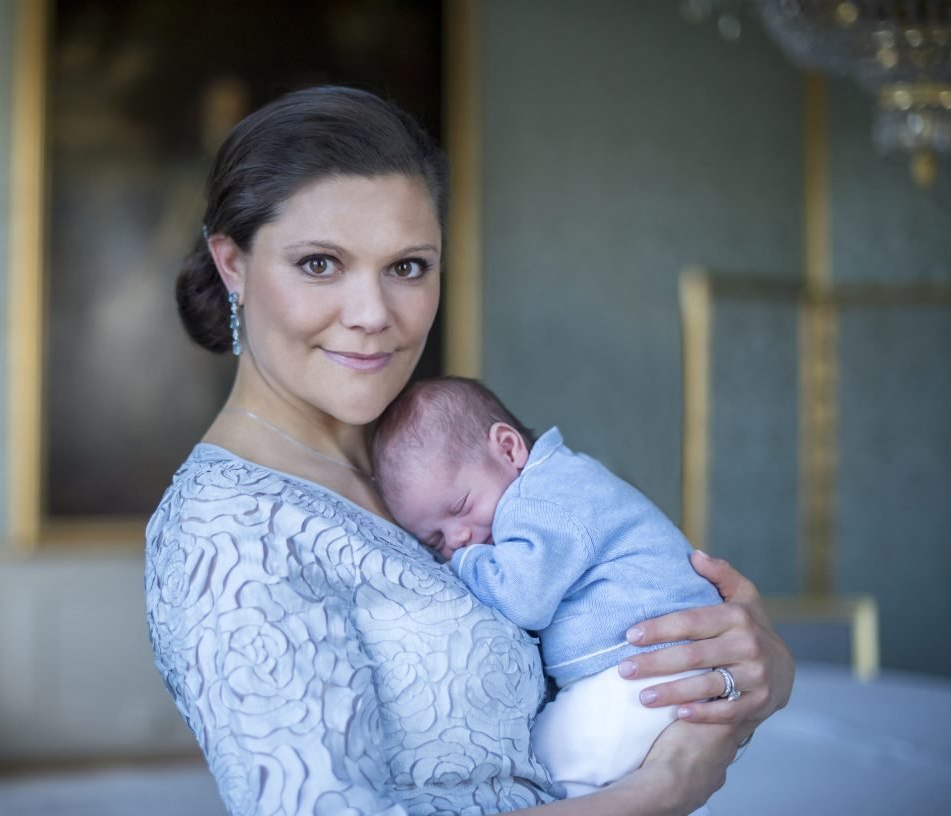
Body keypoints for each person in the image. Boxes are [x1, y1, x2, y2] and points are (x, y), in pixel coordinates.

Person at [145, 85, 795, 816]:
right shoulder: (227, 536)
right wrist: (663, 789)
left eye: (408, 267)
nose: (372, 316)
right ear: (232, 263)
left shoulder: (432, 466)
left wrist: (749, 669)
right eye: (320, 264)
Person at [372, 377, 724, 808]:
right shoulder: (555, 482)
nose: (459, 537)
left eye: (461, 506)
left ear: (507, 448)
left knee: (548, 761)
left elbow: (524, 599)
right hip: (656, 666)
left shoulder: (541, 502)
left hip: (653, 668)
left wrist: (460, 563)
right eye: (435, 540)